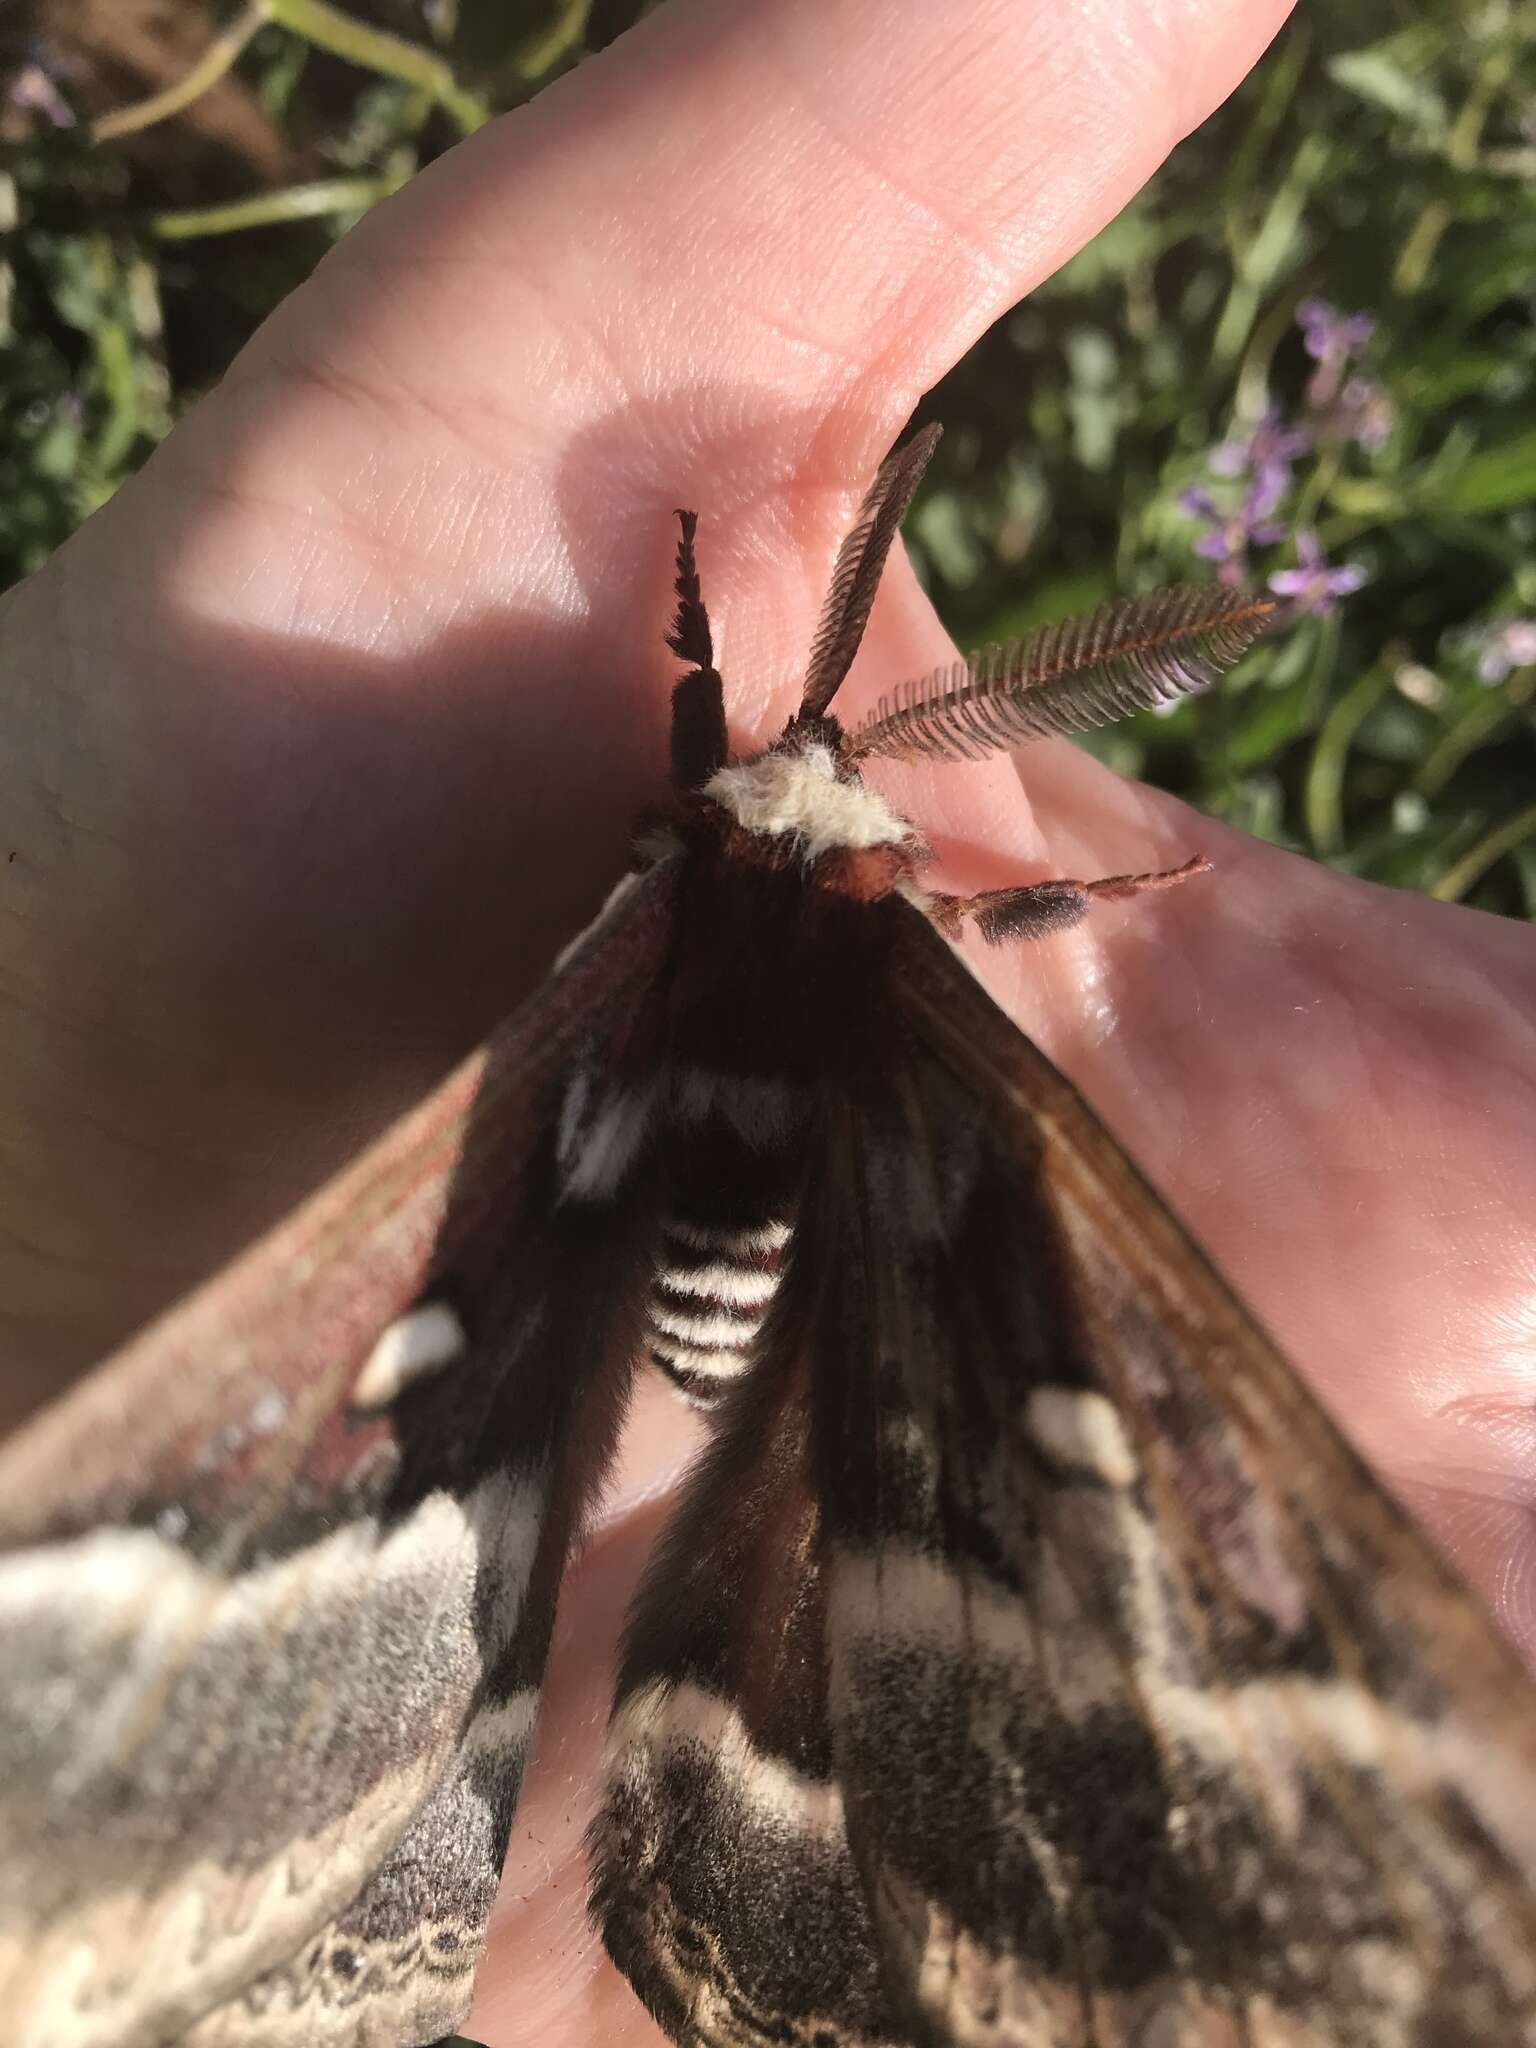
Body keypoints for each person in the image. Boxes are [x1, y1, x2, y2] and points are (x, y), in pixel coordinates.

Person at [3, 1, 1534, 2038]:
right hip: (740, 1186)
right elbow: (957, 903)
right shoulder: (875, 928)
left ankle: (353, 1801)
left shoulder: (707, 879)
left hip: (567, 1192)